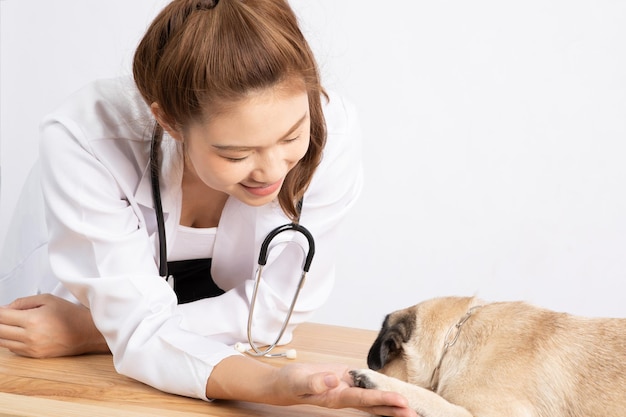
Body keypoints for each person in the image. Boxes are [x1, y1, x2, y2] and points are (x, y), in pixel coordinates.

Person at [0, 1, 416, 415]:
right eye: (237, 155)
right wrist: (124, 331)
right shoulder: (87, 138)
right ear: (169, 122)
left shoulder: (335, 129)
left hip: (85, 336)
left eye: (291, 138)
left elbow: (274, 312)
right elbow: (136, 323)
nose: (272, 171)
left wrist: (91, 330)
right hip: (60, 361)